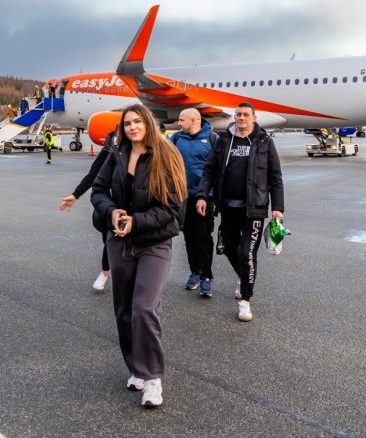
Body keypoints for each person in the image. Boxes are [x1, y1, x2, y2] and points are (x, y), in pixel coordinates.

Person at [90, 104, 187, 408]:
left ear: (147, 123)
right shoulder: (116, 153)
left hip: (154, 244)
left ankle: (153, 377)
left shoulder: (167, 155)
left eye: (137, 121)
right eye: (127, 123)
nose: (132, 127)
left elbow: (173, 210)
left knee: (144, 307)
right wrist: (113, 211)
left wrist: (137, 221)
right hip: (120, 242)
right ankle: (137, 368)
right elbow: (98, 191)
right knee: (123, 310)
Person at [197, 102, 284, 323]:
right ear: (234, 117)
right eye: (238, 114)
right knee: (227, 248)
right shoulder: (224, 140)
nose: (241, 118)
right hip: (227, 206)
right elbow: (209, 170)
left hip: (253, 208)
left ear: (254, 118)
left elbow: (275, 177)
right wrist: (201, 195)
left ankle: (245, 300)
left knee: (247, 254)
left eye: (246, 115)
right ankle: (243, 277)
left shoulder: (264, 142)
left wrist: (277, 208)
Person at [59, 128, 117, 291]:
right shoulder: (108, 152)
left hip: (132, 204)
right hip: (110, 204)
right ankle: (105, 273)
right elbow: (93, 175)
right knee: (109, 239)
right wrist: (75, 195)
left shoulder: (141, 152)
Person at [170, 108, 217, 298]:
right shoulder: (175, 139)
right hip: (183, 198)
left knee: (203, 237)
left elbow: (217, 170)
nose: (178, 123)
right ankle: (195, 272)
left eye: (182, 120)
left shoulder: (213, 139)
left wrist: (208, 196)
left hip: (204, 198)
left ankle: (206, 276)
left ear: (194, 120)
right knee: (189, 237)